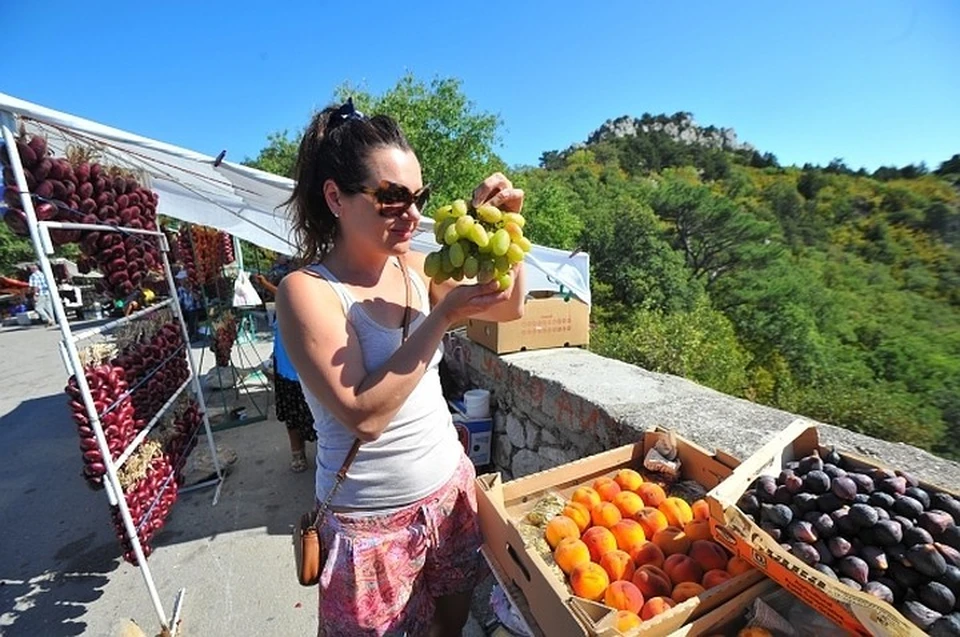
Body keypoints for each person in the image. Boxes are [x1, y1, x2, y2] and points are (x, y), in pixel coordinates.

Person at [275, 99, 525, 637]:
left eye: (418, 197)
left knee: (449, 627)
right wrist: (442, 317)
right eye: (391, 198)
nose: (411, 215)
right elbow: (363, 416)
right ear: (335, 197)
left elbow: (509, 306)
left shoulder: (415, 268)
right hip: (369, 526)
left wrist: (507, 225)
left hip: (448, 492)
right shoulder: (307, 292)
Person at [253, 269, 317, 472]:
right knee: (292, 418)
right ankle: (297, 453)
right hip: (288, 373)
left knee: (320, 418)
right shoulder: (285, 306)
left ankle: (326, 453)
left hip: (312, 375)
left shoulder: (317, 309)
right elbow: (281, 293)